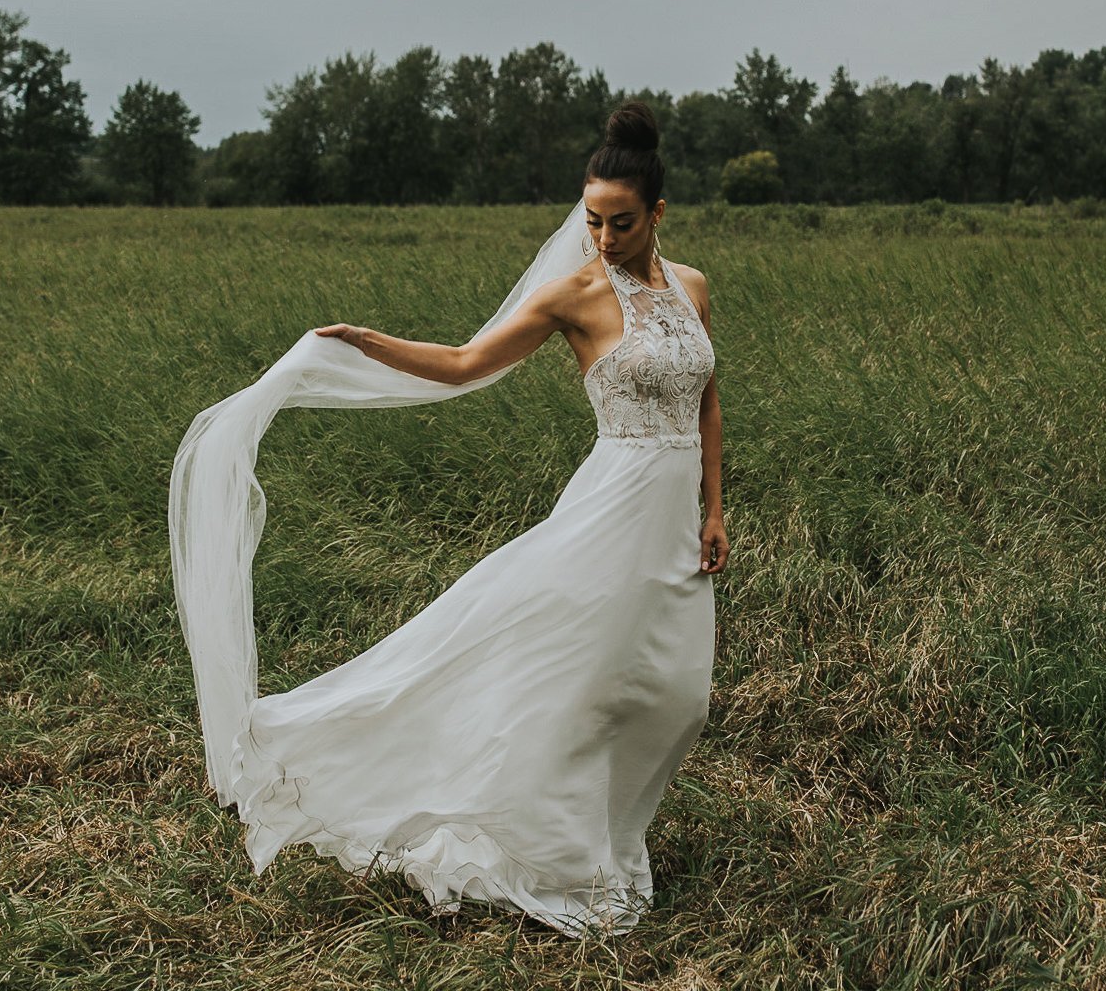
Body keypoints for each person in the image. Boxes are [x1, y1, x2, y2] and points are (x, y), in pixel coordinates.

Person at [171, 100, 726, 937]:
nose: (604, 238)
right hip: (611, 506)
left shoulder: (693, 287)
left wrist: (715, 509)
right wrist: (367, 341)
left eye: (621, 222)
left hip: (674, 517)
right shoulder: (573, 296)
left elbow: (707, 398)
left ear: (658, 213)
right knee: (588, 683)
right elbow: (465, 362)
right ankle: (565, 854)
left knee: (675, 693)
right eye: (593, 220)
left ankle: (608, 833)